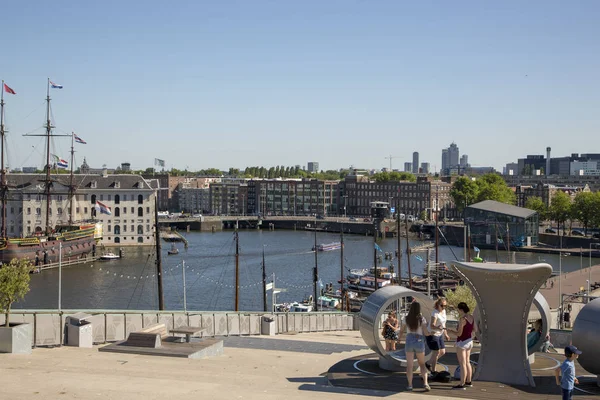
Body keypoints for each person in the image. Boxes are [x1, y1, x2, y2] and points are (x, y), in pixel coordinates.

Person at [398, 301, 431, 392]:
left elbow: (401, 330)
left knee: (409, 365)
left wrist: (399, 339)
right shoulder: (421, 319)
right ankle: (425, 383)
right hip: (419, 341)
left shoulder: (406, 318)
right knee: (422, 364)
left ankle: (409, 385)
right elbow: (426, 333)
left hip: (409, 341)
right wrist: (432, 332)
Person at [449, 302, 476, 390]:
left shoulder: (462, 319)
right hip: (469, 341)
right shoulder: (471, 317)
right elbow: (475, 329)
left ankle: (462, 383)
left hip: (462, 343)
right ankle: (469, 381)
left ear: (460, 310)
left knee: (462, 363)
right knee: (467, 362)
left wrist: (450, 331)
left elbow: (459, 333)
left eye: (458, 310)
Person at [426, 297, 450, 375]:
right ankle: (433, 370)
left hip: (440, 334)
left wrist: (446, 334)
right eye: (442, 306)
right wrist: (438, 327)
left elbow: (444, 324)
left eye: (445, 306)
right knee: (436, 352)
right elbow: (432, 325)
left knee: (442, 352)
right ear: (438, 305)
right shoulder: (435, 313)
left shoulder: (444, 312)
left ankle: (428, 363)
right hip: (432, 333)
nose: (443, 307)